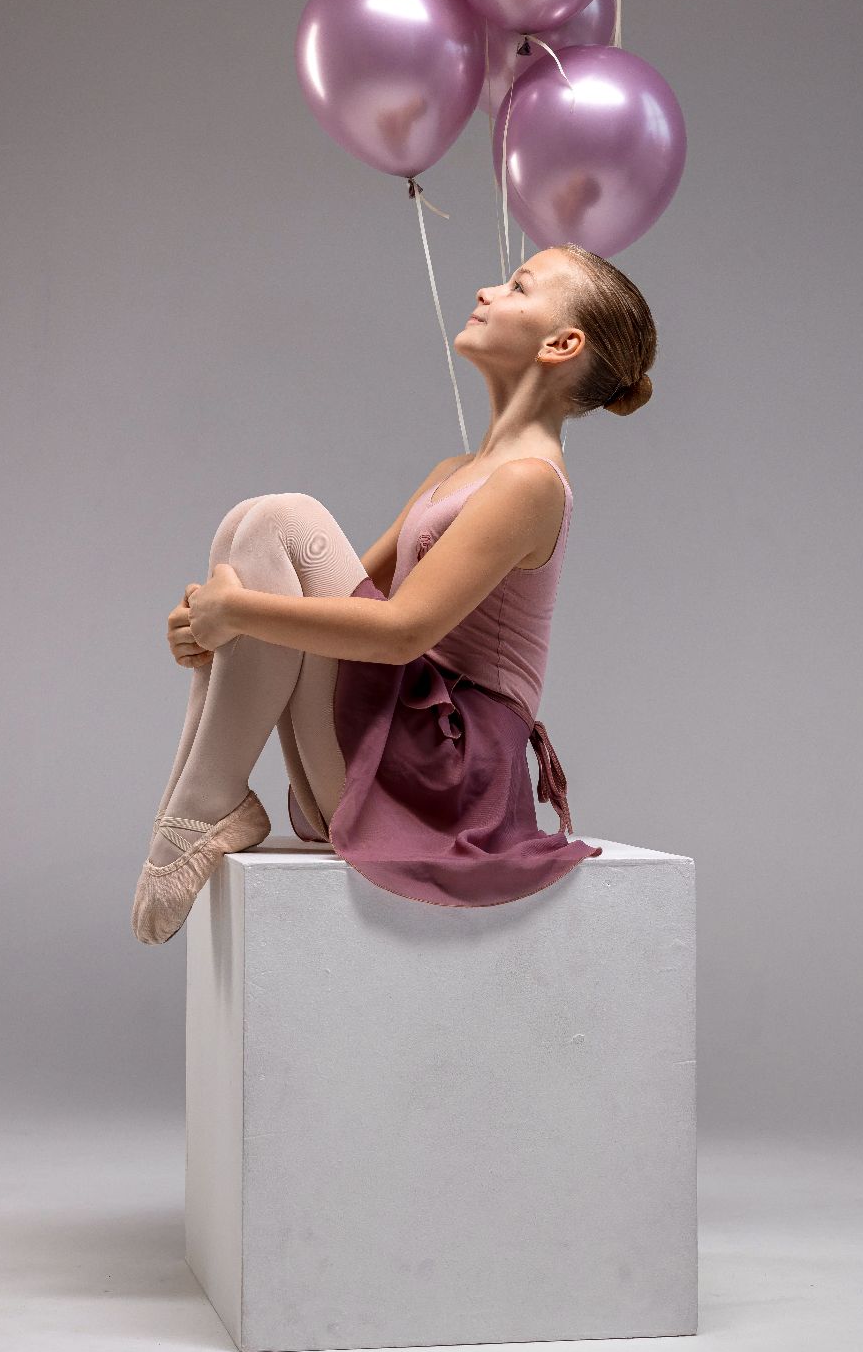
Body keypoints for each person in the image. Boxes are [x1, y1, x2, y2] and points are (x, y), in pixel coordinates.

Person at [132, 241, 657, 943]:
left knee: (286, 518)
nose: (487, 291)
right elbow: (335, 607)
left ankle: (198, 810)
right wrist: (214, 624)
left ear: (561, 344)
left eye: (519, 287)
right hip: (388, 735)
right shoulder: (455, 471)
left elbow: (403, 630)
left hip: (444, 775)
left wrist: (238, 612)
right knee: (253, 525)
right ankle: (199, 805)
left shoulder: (531, 482)